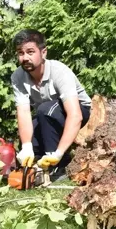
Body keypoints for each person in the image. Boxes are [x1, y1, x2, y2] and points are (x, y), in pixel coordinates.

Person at [11, 29, 92, 179]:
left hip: (78, 110)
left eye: (30, 52)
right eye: (20, 53)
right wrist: (27, 146)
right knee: (30, 145)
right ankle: (51, 163)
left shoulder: (59, 71)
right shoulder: (17, 76)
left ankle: (58, 166)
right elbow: (23, 112)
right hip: (47, 114)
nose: (25, 58)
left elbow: (76, 116)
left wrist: (57, 154)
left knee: (45, 110)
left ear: (43, 53)